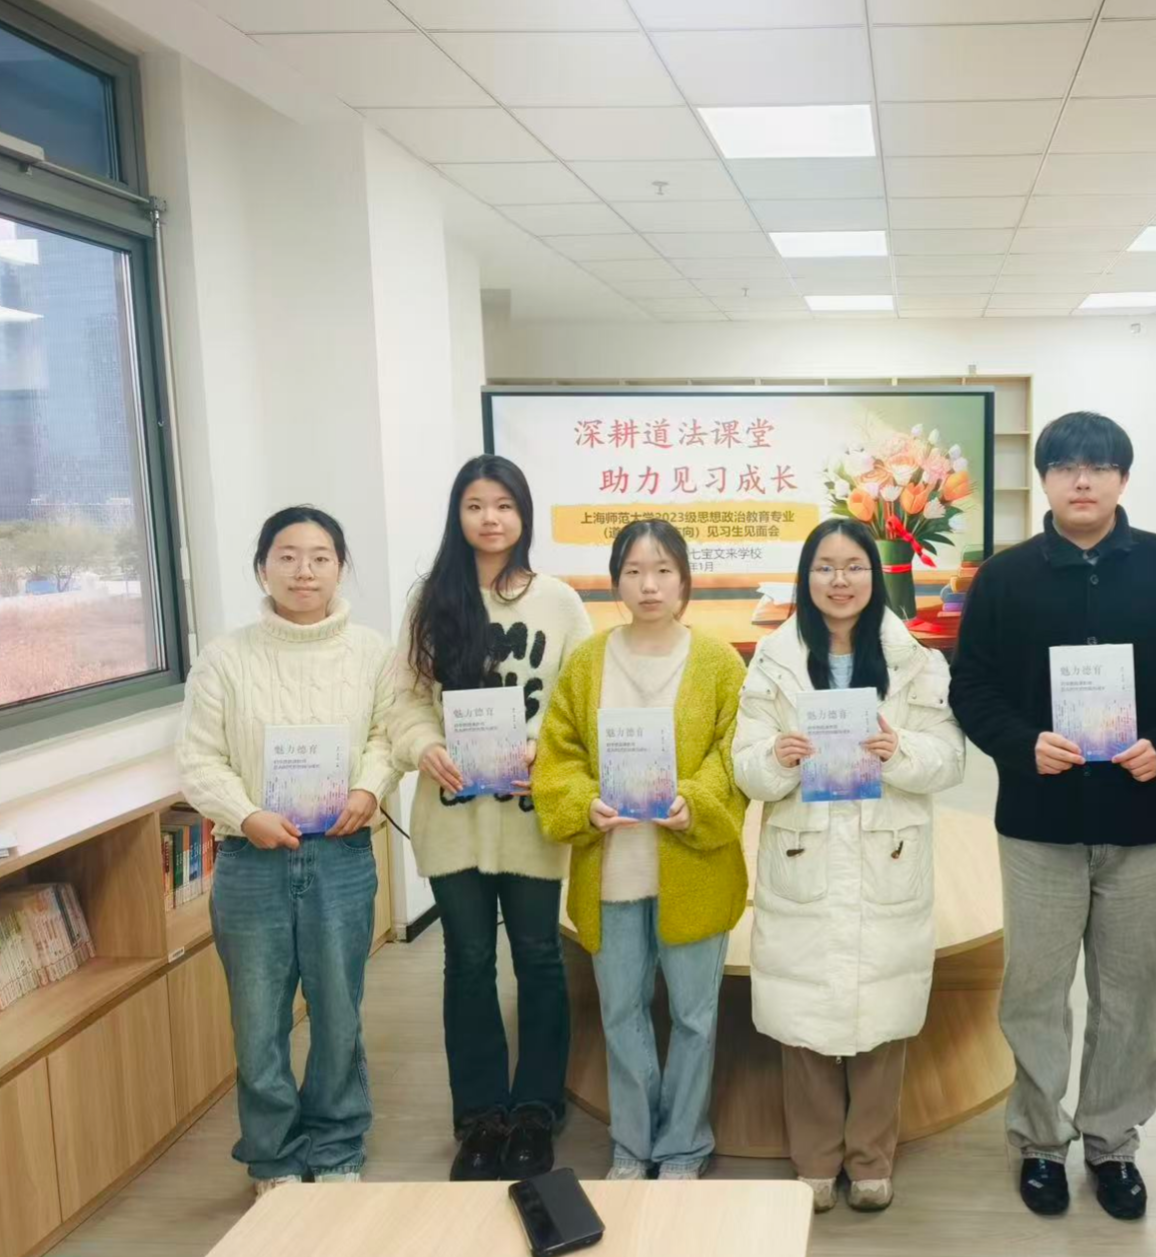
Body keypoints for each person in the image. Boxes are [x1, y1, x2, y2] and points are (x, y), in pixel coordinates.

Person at [949, 411, 1156, 1221]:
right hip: (1037, 822)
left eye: (1099, 466)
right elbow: (971, 686)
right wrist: (1020, 743)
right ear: (1044, 479)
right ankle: (1040, 1141)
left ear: (1122, 478)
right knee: (1035, 990)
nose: (1082, 480)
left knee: (1132, 994)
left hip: (1138, 821)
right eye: (1066, 466)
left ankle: (1112, 1143)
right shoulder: (1003, 577)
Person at [733, 518, 967, 1215]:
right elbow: (744, 765)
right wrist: (777, 755)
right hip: (803, 847)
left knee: (880, 1009)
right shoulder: (774, 660)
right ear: (806, 577)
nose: (840, 581)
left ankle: (870, 1159)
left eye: (854, 566)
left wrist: (899, 750)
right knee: (804, 1011)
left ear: (875, 575)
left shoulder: (915, 660)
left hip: (883, 849)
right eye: (825, 567)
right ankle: (813, 1161)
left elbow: (950, 759)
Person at [177, 506, 398, 1196]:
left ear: (340, 567)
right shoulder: (224, 658)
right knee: (257, 1019)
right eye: (288, 556)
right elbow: (198, 760)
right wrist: (247, 814)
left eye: (320, 557)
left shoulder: (372, 652)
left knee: (338, 1011)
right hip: (252, 861)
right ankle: (273, 1155)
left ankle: (336, 1143)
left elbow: (388, 735)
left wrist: (367, 788)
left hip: (340, 853)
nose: (305, 570)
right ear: (262, 568)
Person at [388, 455, 592, 1181]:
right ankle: (478, 1117)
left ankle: (535, 1110)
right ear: (459, 515)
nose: (490, 518)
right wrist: (426, 746)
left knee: (538, 957)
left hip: (530, 813)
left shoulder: (559, 602)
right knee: (468, 962)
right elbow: (404, 701)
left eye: (504, 505)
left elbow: (579, 701)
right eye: (476, 505)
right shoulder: (432, 600)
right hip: (452, 814)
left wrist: (547, 747)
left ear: (523, 515)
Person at [534, 519, 748, 1182]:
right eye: (633, 570)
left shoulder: (718, 662)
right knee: (620, 1011)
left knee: (693, 1015)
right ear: (615, 581)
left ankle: (683, 1144)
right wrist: (582, 803)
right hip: (613, 869)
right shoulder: (588, 661)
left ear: (684, 579)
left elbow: (732, 754)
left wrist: (696, 800)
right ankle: (632, 1141)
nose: (648, 584)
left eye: (662, 570)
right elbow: (559, 754)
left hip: (694, 865)